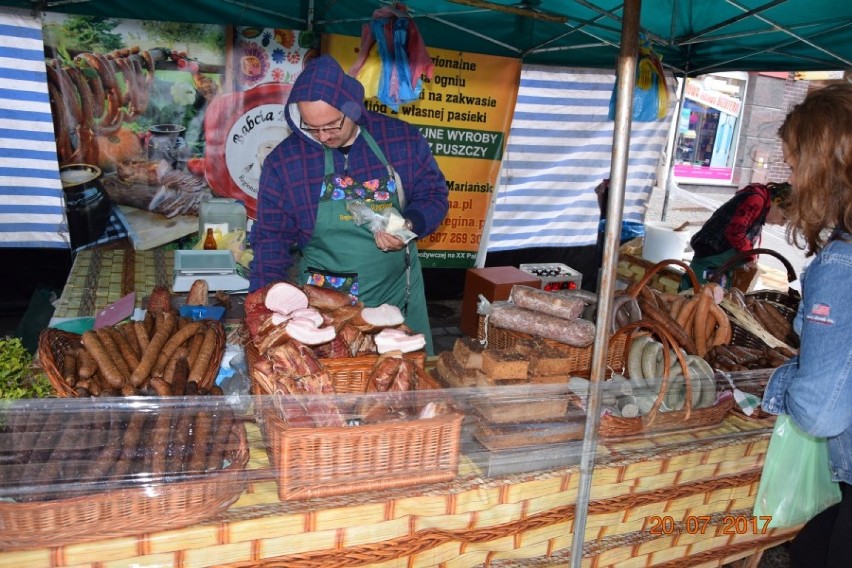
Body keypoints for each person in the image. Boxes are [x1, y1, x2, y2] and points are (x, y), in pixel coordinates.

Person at [248, 55, 449, 354]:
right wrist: (262, 311)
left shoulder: (400, 140)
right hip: (322, 310)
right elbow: (271, 241)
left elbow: (433, 194)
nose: (323, 136)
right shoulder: (285, 162)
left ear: (352, 108)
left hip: (395, 298)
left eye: (332, 125)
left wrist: (409, 226)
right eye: (312, 128)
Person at [762, 83, 852, 567]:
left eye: (795, 166)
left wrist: (778, 384)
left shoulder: (841, 266)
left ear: (823, 172)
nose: (791, 182)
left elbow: (819, 413)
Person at [682, 181, 792, 290]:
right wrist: (749, 256)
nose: (782, 224)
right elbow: (735, 232)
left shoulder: (761, 206)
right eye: (784, 218)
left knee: (714, 296)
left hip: (720, 260)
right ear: (777, 202)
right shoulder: (756, 201)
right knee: (696, 294)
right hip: (712, 254)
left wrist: (749, 258)